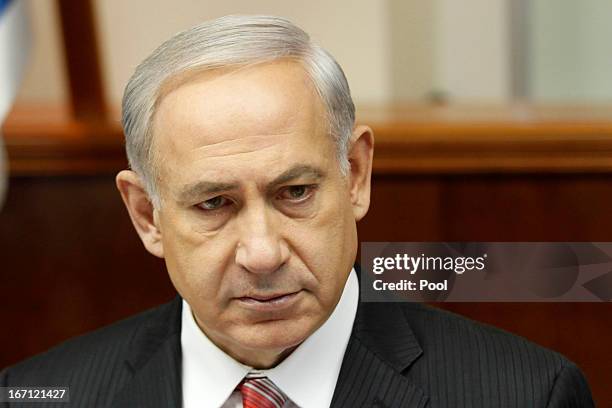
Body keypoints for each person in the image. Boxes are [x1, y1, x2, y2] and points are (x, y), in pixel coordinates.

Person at [1, 15, 594, 408]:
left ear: (355, 176)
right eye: (214, 204)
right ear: (147, 215)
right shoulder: (38, 396)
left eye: (296, 193)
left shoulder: (524, 394)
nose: (263, 253)